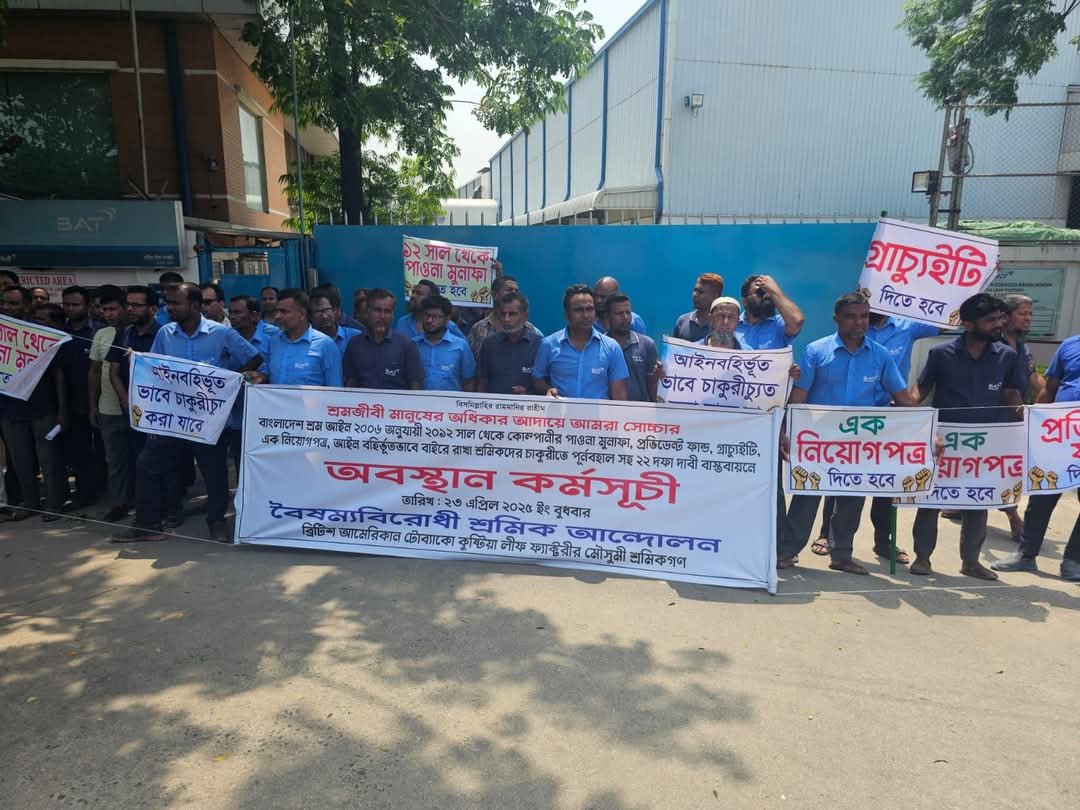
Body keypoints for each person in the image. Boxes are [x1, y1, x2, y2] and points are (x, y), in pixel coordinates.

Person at [778, 293, 919, 575]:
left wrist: (927, 433)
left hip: (859, 444)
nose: (859, 322)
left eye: (864, 316)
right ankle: (786, 552)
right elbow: (799, 397)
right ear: (837, 319)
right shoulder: (817, 351)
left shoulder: (880, 355)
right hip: (817, 442)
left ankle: (842, 555)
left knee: (851, 501)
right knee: (807, 497)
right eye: (851, 316)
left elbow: (903, 398)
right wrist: (784, 430)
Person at [113, 283, 263, 544]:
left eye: (175, 303)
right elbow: (154, 368)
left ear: (194, 305)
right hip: (173, 420)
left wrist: (228, 382)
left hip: (209, 421)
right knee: (147, 465)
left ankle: (217, 522)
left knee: (214, 474)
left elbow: (254, 358)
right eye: (168, 303)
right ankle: (148, 525)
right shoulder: (166, 334)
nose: (169, 308)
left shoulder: (221, 333)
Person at [906, 293, 1027, 580]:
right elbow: (921, 390)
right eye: (991, 320)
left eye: (1000, 318)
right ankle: (922, 557)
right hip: (942, 442)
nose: (999, 324)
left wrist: (1028, 424)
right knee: (930, 501)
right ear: (969, 324)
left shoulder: (1007, 356)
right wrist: (904, 411)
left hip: (985, 444)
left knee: (978, 502)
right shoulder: (941, 354)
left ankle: (971, 562)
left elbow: (1011, 393)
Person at [813, 310, 941, 561]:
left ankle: (884, 541)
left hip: (891, 414)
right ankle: (826, 534)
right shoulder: (854, 326)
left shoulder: (908, 326)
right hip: (853, 417)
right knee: (839, 477)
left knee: (886, 481)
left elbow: (947, 321)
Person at [992, 334, 1080, 581]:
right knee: (1043, 492)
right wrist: (1035, 427)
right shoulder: (1070, 345)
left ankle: (1073, 560)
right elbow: (1049, 389)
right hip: (1061, 435)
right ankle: (1026, 554)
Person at [0, 287, 67, 521]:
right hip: (9, 408)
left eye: (14, 303)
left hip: (42, 406)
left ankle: (54, 503)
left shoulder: (40, 334)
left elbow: (58, 374)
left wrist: (62, 410)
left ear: (28, 306)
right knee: (20, 460)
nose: (7, 308)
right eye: (4, 302)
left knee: (49, 459)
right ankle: (30, 503)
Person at [107, 285, 160, 511]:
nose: (130, 309)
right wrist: (125, 399)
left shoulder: (164, 334)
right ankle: (145, 507)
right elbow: (114, 371)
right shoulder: (124, 334)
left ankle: (168, 506)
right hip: (132, 411)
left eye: (137, 305)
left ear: (153, 309)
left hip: (159, 412)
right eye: (128, 304)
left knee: (162, 460)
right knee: (137, 458)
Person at [533, 284, 629, 400]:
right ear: (566, 314)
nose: (586, 315)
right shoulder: (548, 345)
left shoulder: (611, 347)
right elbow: (537, 378)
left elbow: (619, 395)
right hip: (561, 411)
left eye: (590, 309)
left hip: (599, 412)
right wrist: (547, 390)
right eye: (578, 310)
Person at [88, 285, 130, 522]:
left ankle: (146, 501)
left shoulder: (135, 333)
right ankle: (119, 503)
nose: (108, 314)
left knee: (142, 458)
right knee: (115, 461)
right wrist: (93, 405)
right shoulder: (102, 335)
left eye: (113, 309)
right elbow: (94, 371)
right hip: (109, 408)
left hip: (138, 409)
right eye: (105, 310)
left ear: (125, 308)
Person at [60, 285, 103, 508]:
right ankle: (85, 493)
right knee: (79, 451)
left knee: (104, 450)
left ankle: (107, 491)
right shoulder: (59, 333)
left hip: (101, 401)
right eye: (66, 304)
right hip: (71, 401)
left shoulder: (99, 332)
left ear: (87, 306)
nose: (70, 308)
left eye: (75, 304)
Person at [226, 296, 278, 474]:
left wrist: (262, 377)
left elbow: (277, 372)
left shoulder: (274, 337)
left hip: (267, 416)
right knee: (241, 467)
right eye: (230, 312)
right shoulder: (226, 337)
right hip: (237, 417)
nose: (232, 317)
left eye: (237, 312)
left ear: (254, 316)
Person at [342, 289, 424, 390]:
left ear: (393, 315)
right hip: (363, 400)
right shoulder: (354, 344)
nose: (382, 316)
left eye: (387, 311)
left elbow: (415, 387)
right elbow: (350, 383)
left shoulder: (407, 346)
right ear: (368, 312)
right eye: (377, 310)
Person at [264, 289, 343, 387]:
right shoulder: (274, 341)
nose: (277, 316)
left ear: (302, 314)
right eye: (277, 311)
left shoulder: (325, 345)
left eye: (284, 312)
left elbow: (335, 389)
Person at [477, 292, 541, 395]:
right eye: (503, 314)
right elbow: (482, 382)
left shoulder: (539, 345)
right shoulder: (489, 344)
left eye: (512, 314)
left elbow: (546, 386)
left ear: (525, 316)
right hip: (494, 404)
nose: (506, 319)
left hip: (528, 405)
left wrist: (528, 394)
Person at [414, 294, 476, 392]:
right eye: (427, 315)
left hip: (452, 401)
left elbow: (469, 381)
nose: (429, 320)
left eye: (435, 317)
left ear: (447, 319)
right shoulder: (413, 345)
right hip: (418, 401)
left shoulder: (460, 346)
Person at [467, 275, 540, 356]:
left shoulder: (530, 330)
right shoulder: (479, 329)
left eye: (516, 291)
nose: (514, 293)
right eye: (509, 290)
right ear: (494, 295)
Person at [607, 293, 659, 403]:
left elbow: (653, 386)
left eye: (628, 312)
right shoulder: (601, 346)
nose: (625, 317)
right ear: (608, 316)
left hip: (641, 411)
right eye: (619, 313)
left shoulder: (647, 344)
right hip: (608, 410)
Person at [736, 274, 804, 349]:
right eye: (760, 292)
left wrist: (774, 290)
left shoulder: (779, 324)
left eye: (769, 292)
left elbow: (797, 321)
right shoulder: (732, 325)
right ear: (744, 301)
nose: (766, 296)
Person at [396, 280, 466, 339]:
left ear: (431, 299)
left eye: (419, 294)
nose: (413, 296)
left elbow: (462, 346)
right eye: (413, 292)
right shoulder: (402, 323)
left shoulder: (448, 325)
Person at [673, 273, 725, 342]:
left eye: (700, 292)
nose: (695, 295)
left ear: (715, 296)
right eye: (695, 290)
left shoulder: (724, 326)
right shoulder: (682, 321)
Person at [311, 286, 362, 353]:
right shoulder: (307, 342)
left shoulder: (355, 336)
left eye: (327, 310)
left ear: (335, 310)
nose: (324, 316)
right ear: (310, 316)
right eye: (318, 312)